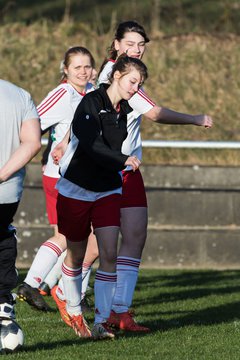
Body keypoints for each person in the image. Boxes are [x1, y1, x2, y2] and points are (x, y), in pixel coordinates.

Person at [96, 20, 213, 332]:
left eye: (141, 45)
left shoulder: (130, 74)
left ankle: (119, 311)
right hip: (106, 170)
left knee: (134, 235)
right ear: (117, 44)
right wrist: (194, 119)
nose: (136, 49)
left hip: (130, 170)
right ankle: (77, 299)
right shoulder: (116, 76)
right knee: (97, 246)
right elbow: (154, 113)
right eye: (130, 44)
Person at [55, 55, 148, 340]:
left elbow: (152, 113)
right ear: (117, 75)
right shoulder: (91, 103)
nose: (136, 88)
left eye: (140, 83)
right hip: (76, 188)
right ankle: (74, 309)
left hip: (108, 188)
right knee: (76, 254)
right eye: (133, 81)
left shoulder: (126, 109)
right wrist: (123, 159)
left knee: (109, 252)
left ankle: (100, 322)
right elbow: (91, 144)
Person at [17, 46, 96, 312]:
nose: (83, 71)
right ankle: (38, 284)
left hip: (83, 176)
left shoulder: (92, 92)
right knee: (71, 235)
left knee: (78, 236)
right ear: (65, 70)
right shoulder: (63, 94)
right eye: (77, 67)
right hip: (60, 176)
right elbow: (32, 121)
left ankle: (49, 284)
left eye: (87, 66)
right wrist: (46, 148)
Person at [0, 79, 41, 322]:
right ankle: (3, 302)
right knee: (3, 235)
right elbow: (33, 142)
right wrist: (3, 174)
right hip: (7, 191)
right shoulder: (20, 94)